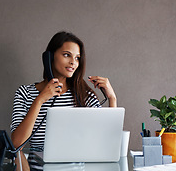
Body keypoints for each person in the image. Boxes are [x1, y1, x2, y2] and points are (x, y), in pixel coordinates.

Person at [10, 31, 117, 163]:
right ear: (49, 57)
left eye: (77, 58)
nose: (73, 62)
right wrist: (40, 100)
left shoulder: (83, 94)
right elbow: (16, 144)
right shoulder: (24, 93)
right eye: (67, 55)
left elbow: (108, 140)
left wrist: (112, 99)